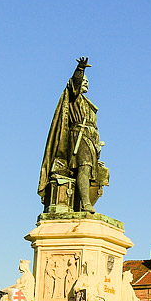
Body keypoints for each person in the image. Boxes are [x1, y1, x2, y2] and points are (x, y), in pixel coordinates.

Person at [38, 57, 109, 214]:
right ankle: (85, 204)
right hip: (78, 136)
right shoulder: (74, 98)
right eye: (84, 81)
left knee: (96, 172)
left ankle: (81, 203)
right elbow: (74, 84)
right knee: (84, 167)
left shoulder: (89, 104)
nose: (85, 83)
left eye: (87, 82)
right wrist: (80, 70)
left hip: (91, 139)